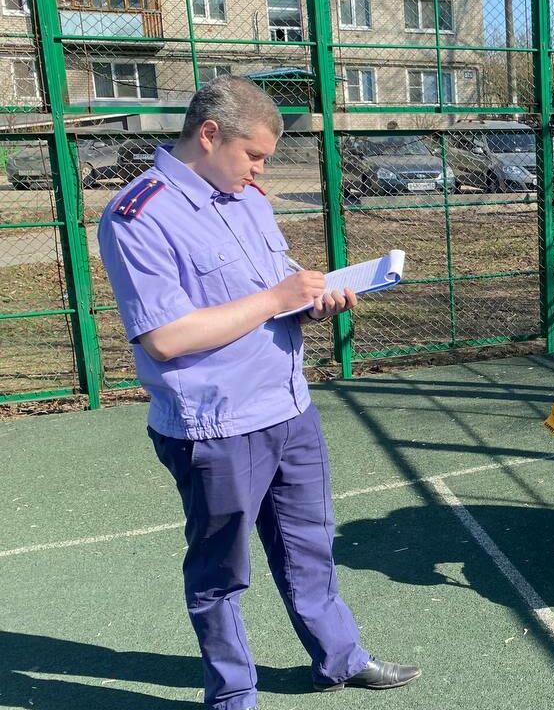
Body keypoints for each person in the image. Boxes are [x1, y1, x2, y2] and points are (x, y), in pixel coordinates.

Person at [97, 76, 419, 710]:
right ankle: (234, 694)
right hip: (215, 427)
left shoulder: (245, 197)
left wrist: (309, 303)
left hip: (288, 406)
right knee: (220, 575)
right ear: (209, 135)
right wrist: (277, 298)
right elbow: (165, 338)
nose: (259, 171)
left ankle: (340, 659)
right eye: (254, 156)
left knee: (310, 546)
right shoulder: (139, 214)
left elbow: (270, 296)